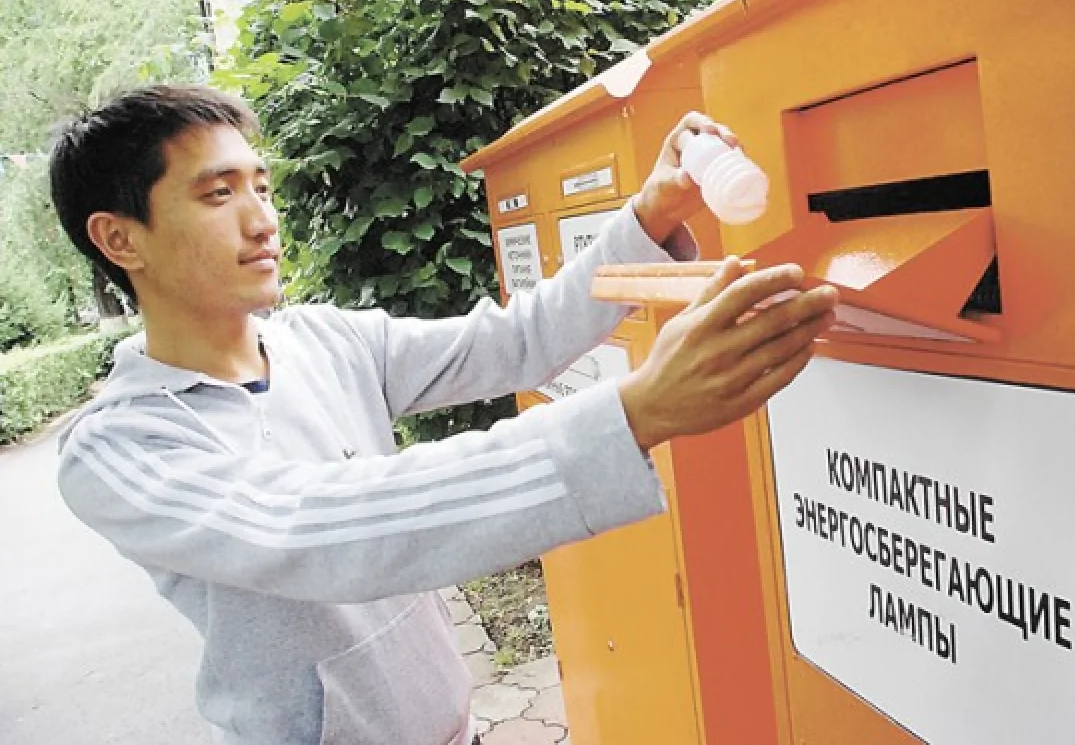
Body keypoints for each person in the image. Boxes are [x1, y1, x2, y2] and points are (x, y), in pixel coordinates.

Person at [49, 85, 838, 745]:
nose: (261, 220)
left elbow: (517, 342)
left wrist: (649, 215)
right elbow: (326, 531)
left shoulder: (324, 342)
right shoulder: (122, 450)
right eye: (218, 194)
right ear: (120, 238)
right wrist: (634, 414)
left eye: (260, 186)